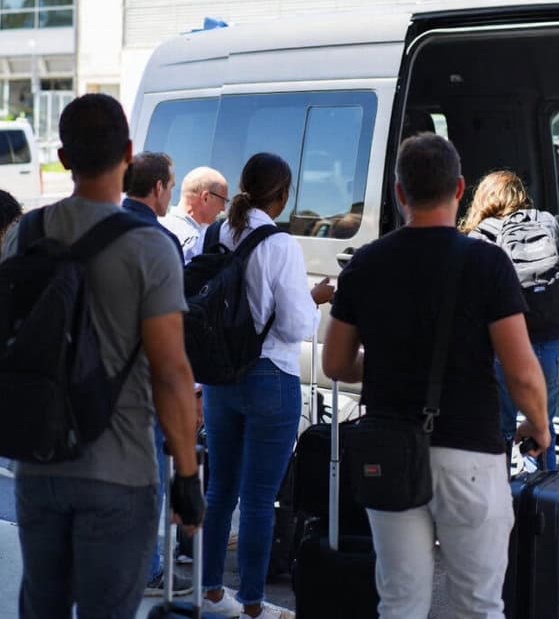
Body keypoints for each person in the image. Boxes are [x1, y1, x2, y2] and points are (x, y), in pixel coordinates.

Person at [323, 133, 550, 619]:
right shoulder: (487, 262)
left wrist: (385, 366)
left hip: (390, 451)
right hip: (471, 454)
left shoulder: (365, 263)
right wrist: (539, 424)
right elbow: (521, 371)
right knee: (478, 605)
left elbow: (336, 364)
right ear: (460, 188)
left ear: (399, 192)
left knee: (400, 602)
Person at [3, 94, 205, 619]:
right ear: (129, 155)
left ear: (63, 158)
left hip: (39, 463)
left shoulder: (26, 233)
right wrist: (187, 476)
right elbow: (171, 372)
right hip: (120, 472)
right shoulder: (150, 247)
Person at [201, 152, 334, 619]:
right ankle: (253, 604)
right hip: (270, 376)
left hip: (220, 376)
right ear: (282, 194)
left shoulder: (215, 233)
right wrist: (316, 299)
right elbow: (296, 325)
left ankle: (211, 593)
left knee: (220, 490)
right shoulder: (280, 244)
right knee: (260, 499)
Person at [460, 169, 559, 471]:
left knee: (501, 428)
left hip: (507, 350)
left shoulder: (479, 236)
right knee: (542, 426)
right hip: (558, 345)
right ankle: (547, 494)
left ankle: (505, 493)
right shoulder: (547, 221)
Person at [121, 151, 190, 595]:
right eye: (171, 186)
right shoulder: (160, 241)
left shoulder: (98, 228)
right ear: (159, 187)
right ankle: (147, 571)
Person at [161, 165, 229, 263]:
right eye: (223, 200)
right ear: (205, 198)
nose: (223, 208)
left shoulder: (158, 224)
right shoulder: (196, 243)